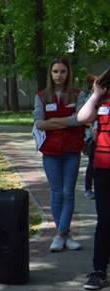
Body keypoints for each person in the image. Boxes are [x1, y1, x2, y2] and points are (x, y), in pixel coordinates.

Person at [32, 58, 89, 252]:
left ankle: (60, 235)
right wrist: (67, 121)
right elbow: (39, 123)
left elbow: (80, 119)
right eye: (55, 71)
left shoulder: (78, 94)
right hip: (50, 152)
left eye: (63, 71)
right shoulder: (41, 96)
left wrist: (54, 121)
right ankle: (65, 234)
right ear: (50, 73)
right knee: (57, 193)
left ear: (68, 73)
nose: (59, 75)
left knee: (68, 193)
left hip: (72, 150)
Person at [71, 68, 110, 290]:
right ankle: (99, 270)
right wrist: (95, 94)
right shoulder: (102, 99)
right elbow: (82, 118)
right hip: (104, 169)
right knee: (105, 221)